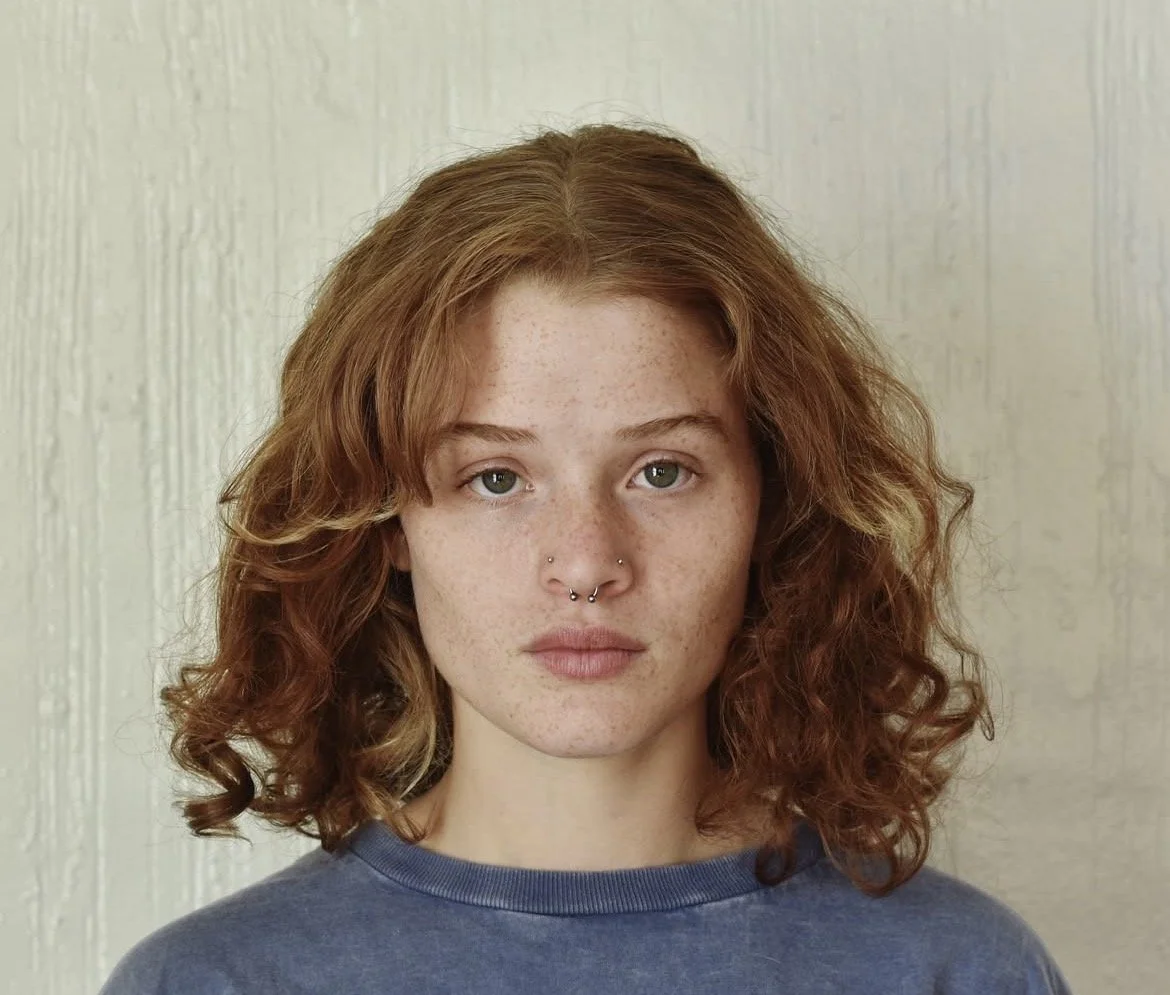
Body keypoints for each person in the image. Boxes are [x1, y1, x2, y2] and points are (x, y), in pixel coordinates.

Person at [99, 122, 1073, 994]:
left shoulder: (957, 972)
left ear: (771, 498)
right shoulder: (215, 982)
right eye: (494, 477)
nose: (585, 562)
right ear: (386, 519)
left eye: (660, 470)